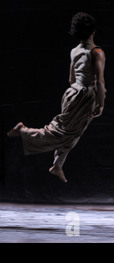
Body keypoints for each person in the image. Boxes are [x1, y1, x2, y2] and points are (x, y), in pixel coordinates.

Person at [7, 12, 107, 183]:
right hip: (85, 96)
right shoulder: (96, 52)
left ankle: (57, 165)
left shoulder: (74, 51)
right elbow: (100, 81)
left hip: (72, 93)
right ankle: (24, 131)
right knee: (60, 133)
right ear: (93, 31)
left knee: (74, 133)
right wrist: (100, 103)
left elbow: (71, 79)